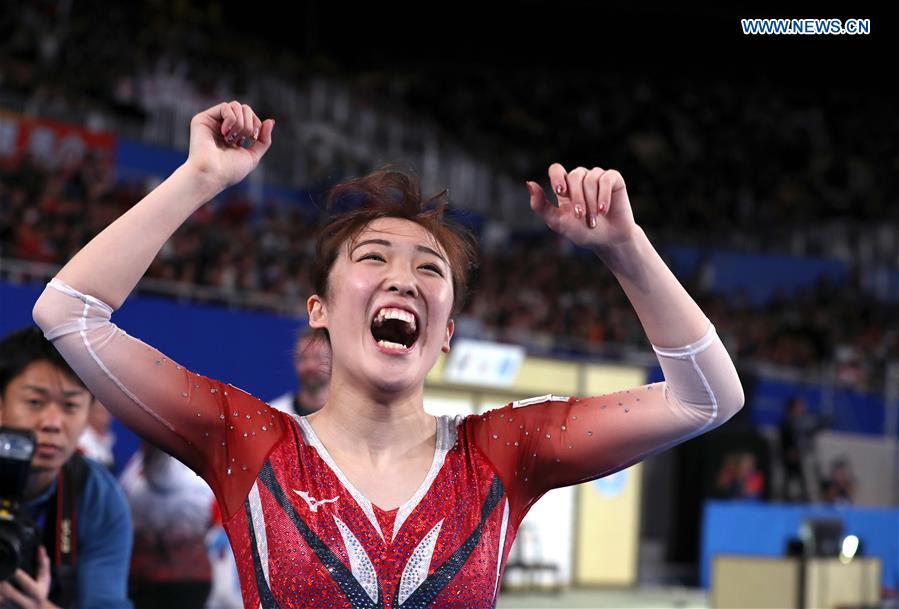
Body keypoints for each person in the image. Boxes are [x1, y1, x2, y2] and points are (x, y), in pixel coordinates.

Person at [31, 101, 744, 608]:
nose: (403, 276)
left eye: (429, 268)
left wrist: (623, 247)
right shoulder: (246, 439)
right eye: (373, 257)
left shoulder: (499, 452)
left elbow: (706, 396)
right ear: (319, 311)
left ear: (445, 332)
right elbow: (68, 311)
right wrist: (201, 178)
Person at [0, 327, 133, 609]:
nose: (52, 423)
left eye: (70, 406)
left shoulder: (98, 497)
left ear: (88, 415)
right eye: (34, 402)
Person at [119, 443, 216, 609]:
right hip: (151, 581)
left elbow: (158, 473)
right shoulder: (135, 470)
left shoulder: (189, 473)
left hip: (177, 584)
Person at [269, 326, 331, 415]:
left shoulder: (350, 416)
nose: (310, 366)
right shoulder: (275, 415)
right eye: (303, 358)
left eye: (318, 357)